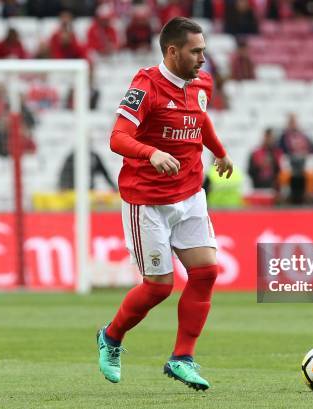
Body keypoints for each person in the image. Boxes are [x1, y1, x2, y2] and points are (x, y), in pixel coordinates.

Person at [98, 17, 233, 391]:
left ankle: (182, 358)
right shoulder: (145, 86)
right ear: (172, 52)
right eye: (196, 52)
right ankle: (110, 337)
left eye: (204, 50)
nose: (203, 59)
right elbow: (117, 138)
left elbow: (199, 120)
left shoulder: (200, 83)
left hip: (190, 193)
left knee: (206, 272)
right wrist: (151, 152)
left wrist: (219, 152)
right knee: (159, 287)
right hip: (148, 201)